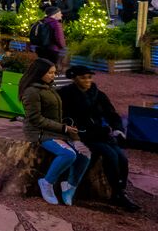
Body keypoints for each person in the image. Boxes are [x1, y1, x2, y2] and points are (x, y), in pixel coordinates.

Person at [58, 65, 140, 212]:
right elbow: (65, 117)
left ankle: (120, 191)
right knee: (110, 156)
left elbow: (111, 114)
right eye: (83, 77)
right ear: (75, 78)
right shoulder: (66, 94)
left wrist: (117, 129)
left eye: (89, 77)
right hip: (82, 134)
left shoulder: (97, 94)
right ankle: (117, 193)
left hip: (100, 133)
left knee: (122, 158)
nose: (87, 80)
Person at [20, 58, 91, 206]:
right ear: (40, 73)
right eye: (50, 73)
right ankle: (46, 183)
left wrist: (67, 128)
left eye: (54, 72)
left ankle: (69, 187)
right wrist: (63, 128)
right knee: (68, 154)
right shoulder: (31, 91)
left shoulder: (48, 87)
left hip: (55, 129)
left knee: (85, 153)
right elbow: (35, 119)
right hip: (39, 132)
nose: (53, 76)